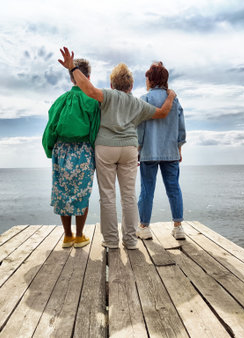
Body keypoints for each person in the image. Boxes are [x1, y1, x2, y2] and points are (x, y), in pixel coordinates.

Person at [58, 47, 177, 249]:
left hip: (105, 148)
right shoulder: (138, 104)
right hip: (129, 149)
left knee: (107, 196)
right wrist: (171, 96)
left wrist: (73, 69)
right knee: (129, 196)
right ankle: (130, 241)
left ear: (112, 84)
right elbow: (163, 113)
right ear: (131, 85)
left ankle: (111, 241)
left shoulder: (107, 95)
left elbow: (87, 88)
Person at [42, 58, 100, 248]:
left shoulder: (61, 100)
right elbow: (95, 130)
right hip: (83, 150)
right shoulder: (91, 100)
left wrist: (50, 150)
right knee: (81, 193)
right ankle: (80, 236)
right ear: (88, 77)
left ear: (71, 78)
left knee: (63, 192)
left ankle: (67, 236)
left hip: (61, 151)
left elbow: (50, 128)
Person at [136, 62, 187, 240]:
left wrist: (138, 149)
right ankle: (178, 227)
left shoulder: (144, 99)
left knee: (147, 190)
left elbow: (140, 129)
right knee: (174, 189)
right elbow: (181, 128)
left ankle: (144, 227)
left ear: (150, 79)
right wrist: (179, 148)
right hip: (171, 151)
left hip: (149, 150)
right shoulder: (174, 99)